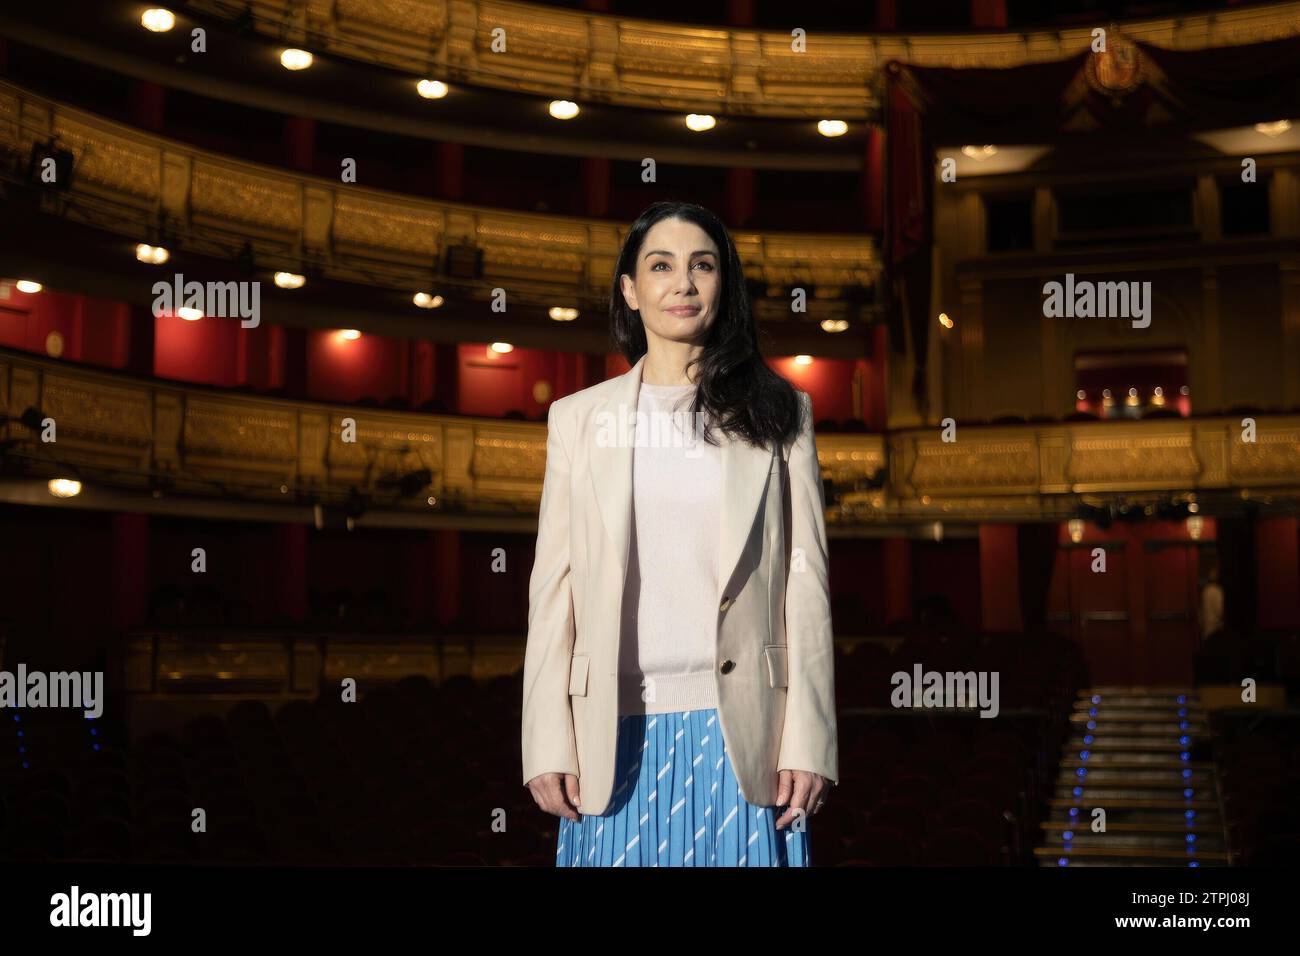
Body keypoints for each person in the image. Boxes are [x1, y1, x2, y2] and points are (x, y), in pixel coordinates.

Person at [521, 201, 839, 866]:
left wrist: (810, 740)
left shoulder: (783, 412)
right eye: (660, 266)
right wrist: (546, 739)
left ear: (725, 285)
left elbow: (806, 589)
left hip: (748, 737)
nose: (683, 283)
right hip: (610, 735)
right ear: (631, 290)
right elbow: (553, 590)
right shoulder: (577, 420)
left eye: (703, 265)